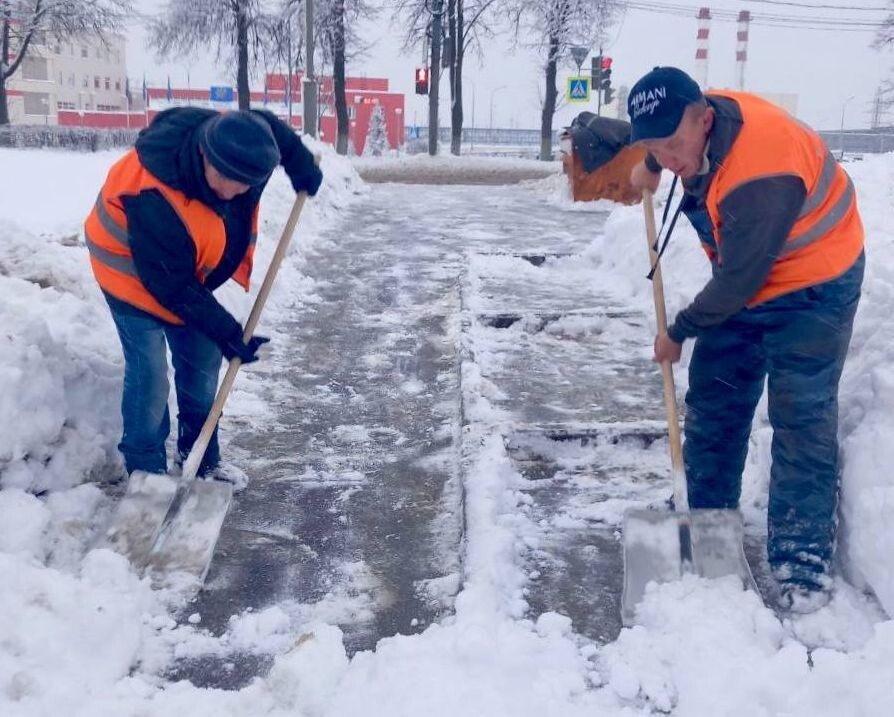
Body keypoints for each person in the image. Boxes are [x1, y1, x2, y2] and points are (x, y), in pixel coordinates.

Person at [626, 67, 865, 612]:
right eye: (654, 147)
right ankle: (704, 516)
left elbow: (737, 284)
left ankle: (800, 559)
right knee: (715, 397)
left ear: (705, 121)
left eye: (674, 145)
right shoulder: (693, 122)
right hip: (747, 272)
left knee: (801, 414)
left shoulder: (760, 172)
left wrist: (678, 332)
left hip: (816, 281)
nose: (669, 157)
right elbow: (668, 139)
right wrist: (649, 164)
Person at [85, 107, 322, 482]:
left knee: (202, 358)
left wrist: (301, 166)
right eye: (225, 178)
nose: (232, 191)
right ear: (204, 156)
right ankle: (145, 469)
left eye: (244, 184)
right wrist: (228, 332)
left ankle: (198, 458)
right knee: (150, 374)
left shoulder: (240, 147)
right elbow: (173, 286)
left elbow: (272, 130)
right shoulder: (154, 193)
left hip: (180, 268)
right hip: (127, 269)